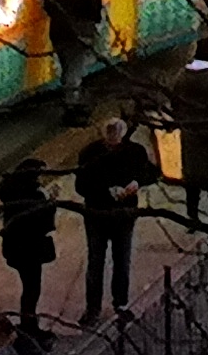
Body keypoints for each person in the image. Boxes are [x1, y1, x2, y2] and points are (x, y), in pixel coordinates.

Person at [67, 114, 159, 322]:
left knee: (122, 260)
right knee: (96, 262)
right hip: (97, 214)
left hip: (123, 215)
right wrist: (107, 191)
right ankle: (93, 308)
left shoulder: (135, 152)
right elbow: (81, 186)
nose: (113, 140)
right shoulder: (90, 154)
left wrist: (137, 182)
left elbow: (151, 173)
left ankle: (120, 303)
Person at [0, 157, 60, 344]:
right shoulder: (34, 196)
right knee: (32, 288)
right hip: (30, 249)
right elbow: (44, 223)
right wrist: (52, 202)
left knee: (28, 287)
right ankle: (29, 325)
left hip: (14, 248)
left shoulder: (10, 192)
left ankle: (28, 323)